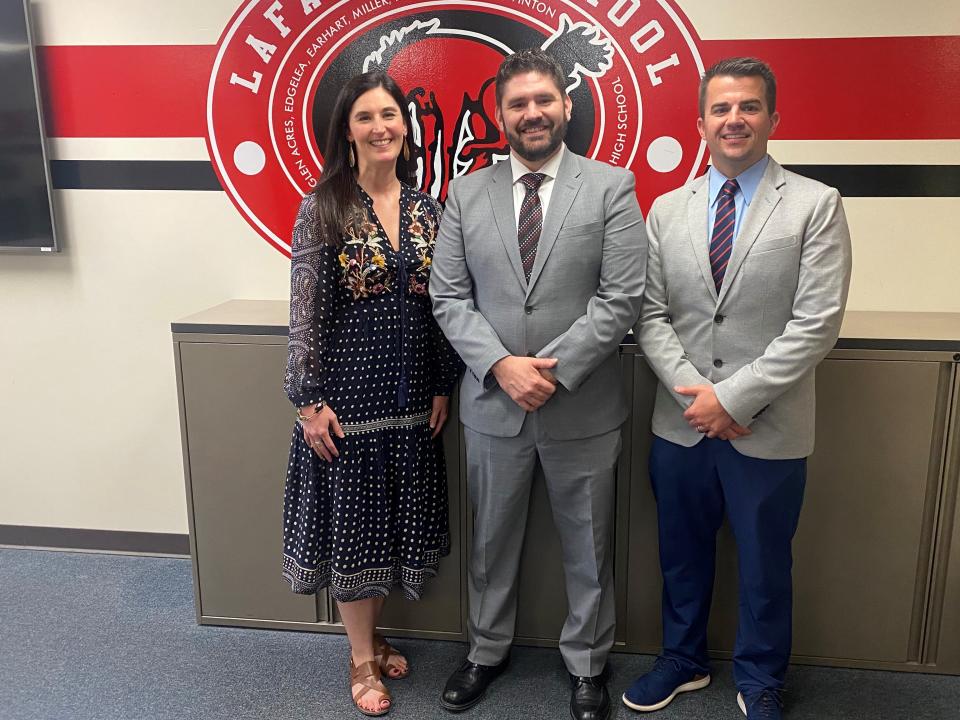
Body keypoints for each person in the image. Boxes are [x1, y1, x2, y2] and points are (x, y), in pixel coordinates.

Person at [623, 57, 852, 720]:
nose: (734, 119)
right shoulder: (667, 209)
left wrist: (735, 398)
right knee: (681, 556)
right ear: (700, 122)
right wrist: (699, 394)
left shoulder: (814, 205)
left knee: (764, 566)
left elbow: (816, 325)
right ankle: (683, 659)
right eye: (721, 108)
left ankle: (759, 678)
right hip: (681, 423)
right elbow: (649, 313)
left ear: (773, 119)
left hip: (769, 428)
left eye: (749, 107)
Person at [430, 48, 647, 720]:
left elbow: (622, 296)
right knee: (490, 541)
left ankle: (587, 664)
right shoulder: (467, 192)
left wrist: (549, 372)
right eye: (518, 103)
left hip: (582, 404)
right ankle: (485, 651)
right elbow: (448, 295)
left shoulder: (611, 186)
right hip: (494, 405)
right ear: (500, 114)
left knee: (588, 544)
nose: (532, 113)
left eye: (543, 100)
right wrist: (501, 366)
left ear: (566, 106)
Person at [281, 71, 461, 717]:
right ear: (347, 130)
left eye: (390, 114)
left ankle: (373, 634)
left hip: (413, 399)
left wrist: (444, 382)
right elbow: (305, 312)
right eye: (366, 117)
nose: (381, 126)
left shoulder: (427, 209)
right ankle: (360, 657)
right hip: (348, 404)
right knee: (356, 533)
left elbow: (445, 306)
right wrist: (308, 400)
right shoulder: (323, 204)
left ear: (405, 125)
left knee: (388, 530)